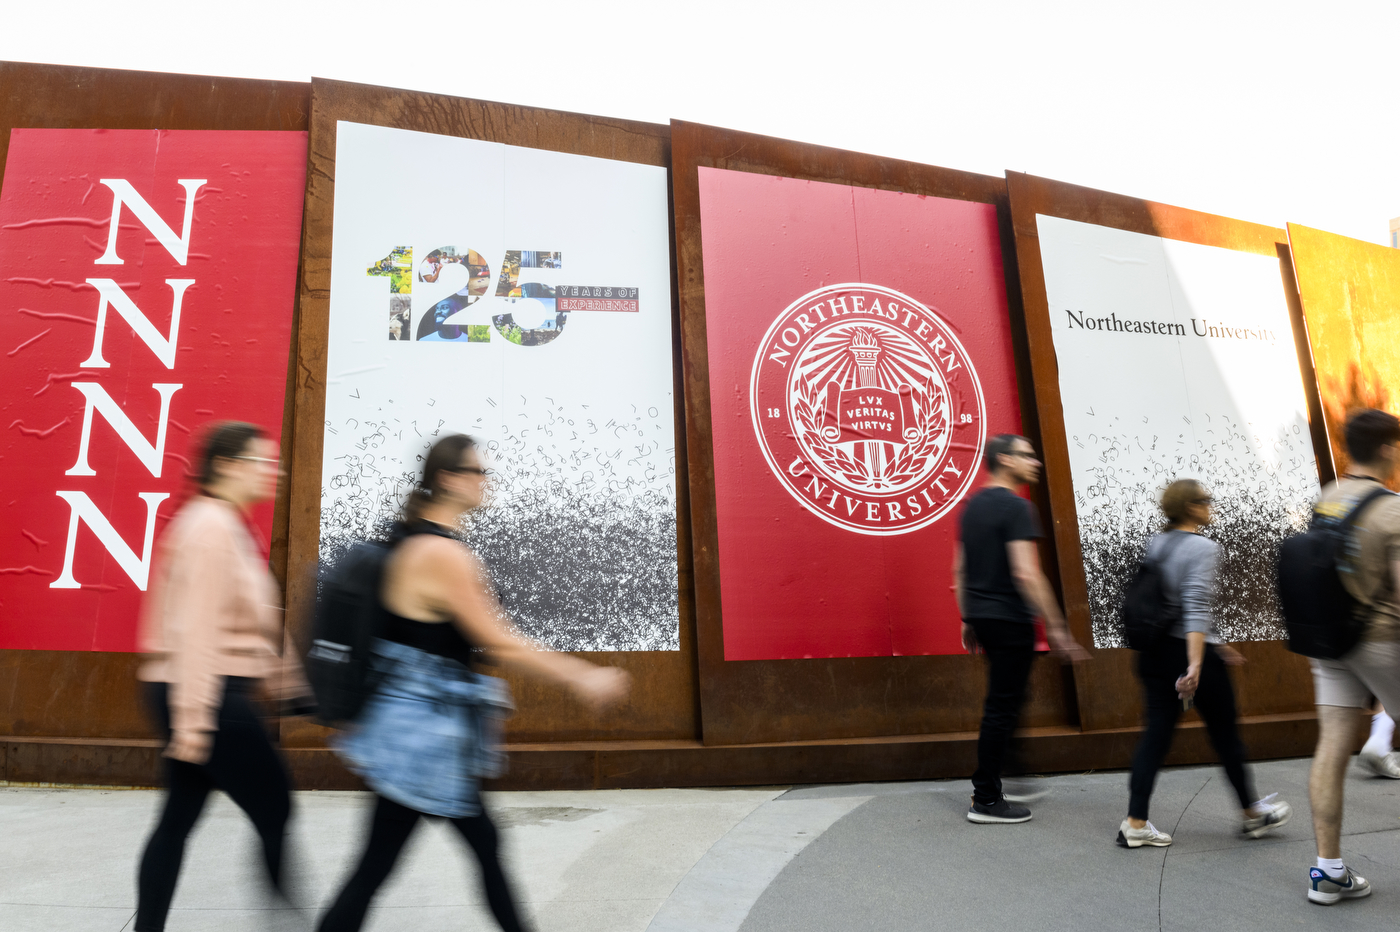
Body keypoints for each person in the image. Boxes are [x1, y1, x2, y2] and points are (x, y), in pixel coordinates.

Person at [317, 433, 630, 932]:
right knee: (404, 860)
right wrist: (582, 675)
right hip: (423, 735)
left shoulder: (417, 540)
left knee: (430, 855)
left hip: (416, 729)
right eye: (478, 472)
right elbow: (498, 641)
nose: (486, 482)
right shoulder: (442, 555)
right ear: (448, 479)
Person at [134, 422, 313, 932]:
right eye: (263, 461)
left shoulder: (223, 524)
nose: (273, 471)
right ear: (229, 466)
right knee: (275, 811)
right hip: (208, 696)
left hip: (195, 691)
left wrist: (289, 686)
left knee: (177, 821)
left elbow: (255, 621)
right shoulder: (211, 529)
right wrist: (193, 724)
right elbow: (196, 634)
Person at [1116, 479, 1292, 849]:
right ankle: (1252, 813)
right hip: (1189, 656)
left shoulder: (1157, 543)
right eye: (1205, 501)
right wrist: (1196, 663)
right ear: (1191, 507)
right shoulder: (1203, 547)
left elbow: (1168, 604)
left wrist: (1218, 644)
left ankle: (1135, 821)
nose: (1210, 506)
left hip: (1154, 654)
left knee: (1156, 736)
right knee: (1226, 735)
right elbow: (1194, 607)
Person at [954, 433, 1088, 824]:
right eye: (1027, 456)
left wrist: (967, 617)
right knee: (1001, 707)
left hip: (984, 617)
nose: (1036, 462)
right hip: (1010, 620)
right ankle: (986, 799)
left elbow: (960, 570)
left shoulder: (971, 507)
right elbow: (1026, 572)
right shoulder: (1016, 508)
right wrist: (1058, 628)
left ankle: (1004, 775)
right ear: (1005, 461)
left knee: (1007, 701)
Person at [1306, 408, 1400, 905]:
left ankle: (1327, 872)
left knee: (1332, 743)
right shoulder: (1394, 509)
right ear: (1386, 449)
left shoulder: (1329, 499)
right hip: (1381, 640)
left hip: (1328, 639)